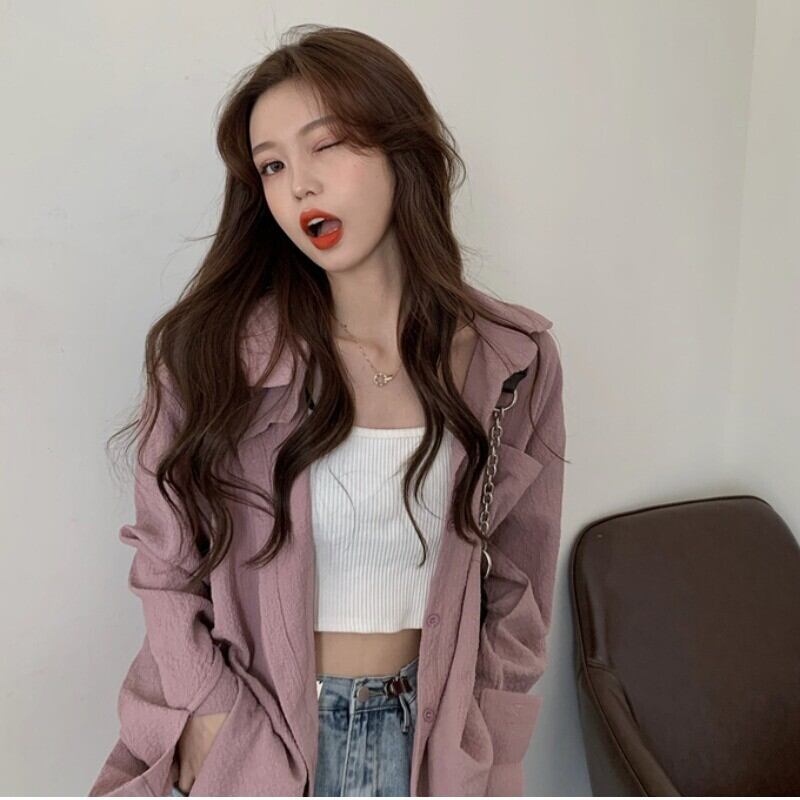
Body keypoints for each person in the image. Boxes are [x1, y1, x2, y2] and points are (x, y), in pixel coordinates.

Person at [90, 23, 567, 797]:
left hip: (433, 745)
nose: (299, 186)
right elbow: (165, 567)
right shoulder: (210, 356)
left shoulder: (511, 359)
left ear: (402, 151)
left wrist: (489, 723)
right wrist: (212, 716)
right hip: (265, 740)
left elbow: (522, 581)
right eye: (273, 165)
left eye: (327, 145)